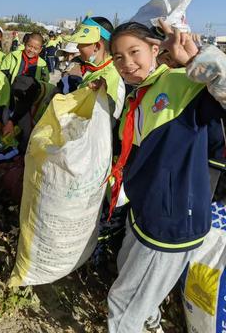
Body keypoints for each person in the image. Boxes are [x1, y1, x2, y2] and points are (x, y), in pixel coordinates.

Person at [106, 20, 226, 333]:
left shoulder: (179, 83)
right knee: (130, 281)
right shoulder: (140, 95)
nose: (127, 63)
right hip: (146, 212)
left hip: (172, 222)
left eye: (134, 52)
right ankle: (150, 323)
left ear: (155, 49)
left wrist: (197, 60)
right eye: (118, 57)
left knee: (122, 304)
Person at [67, 16, 125, 119]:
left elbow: (103, 120)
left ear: (96, 47)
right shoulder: (94, 69)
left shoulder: (109, 77)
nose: (77, 47)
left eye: (81, 43)